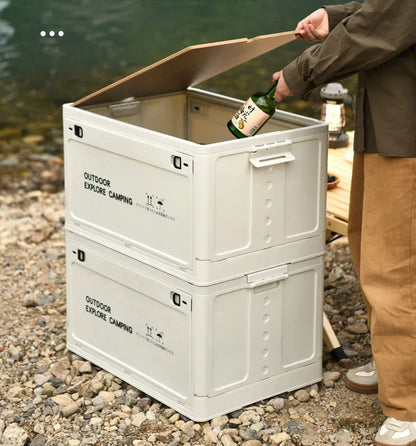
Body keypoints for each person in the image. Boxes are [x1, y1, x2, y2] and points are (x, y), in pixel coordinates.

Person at [272, 1, 416, 445]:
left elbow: (379, 24)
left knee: (394, 266)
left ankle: (408, 403)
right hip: (388, 117)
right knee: (367, 241)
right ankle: (397, 360)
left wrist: (300, 74)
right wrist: (335, 17)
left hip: (408, 129)